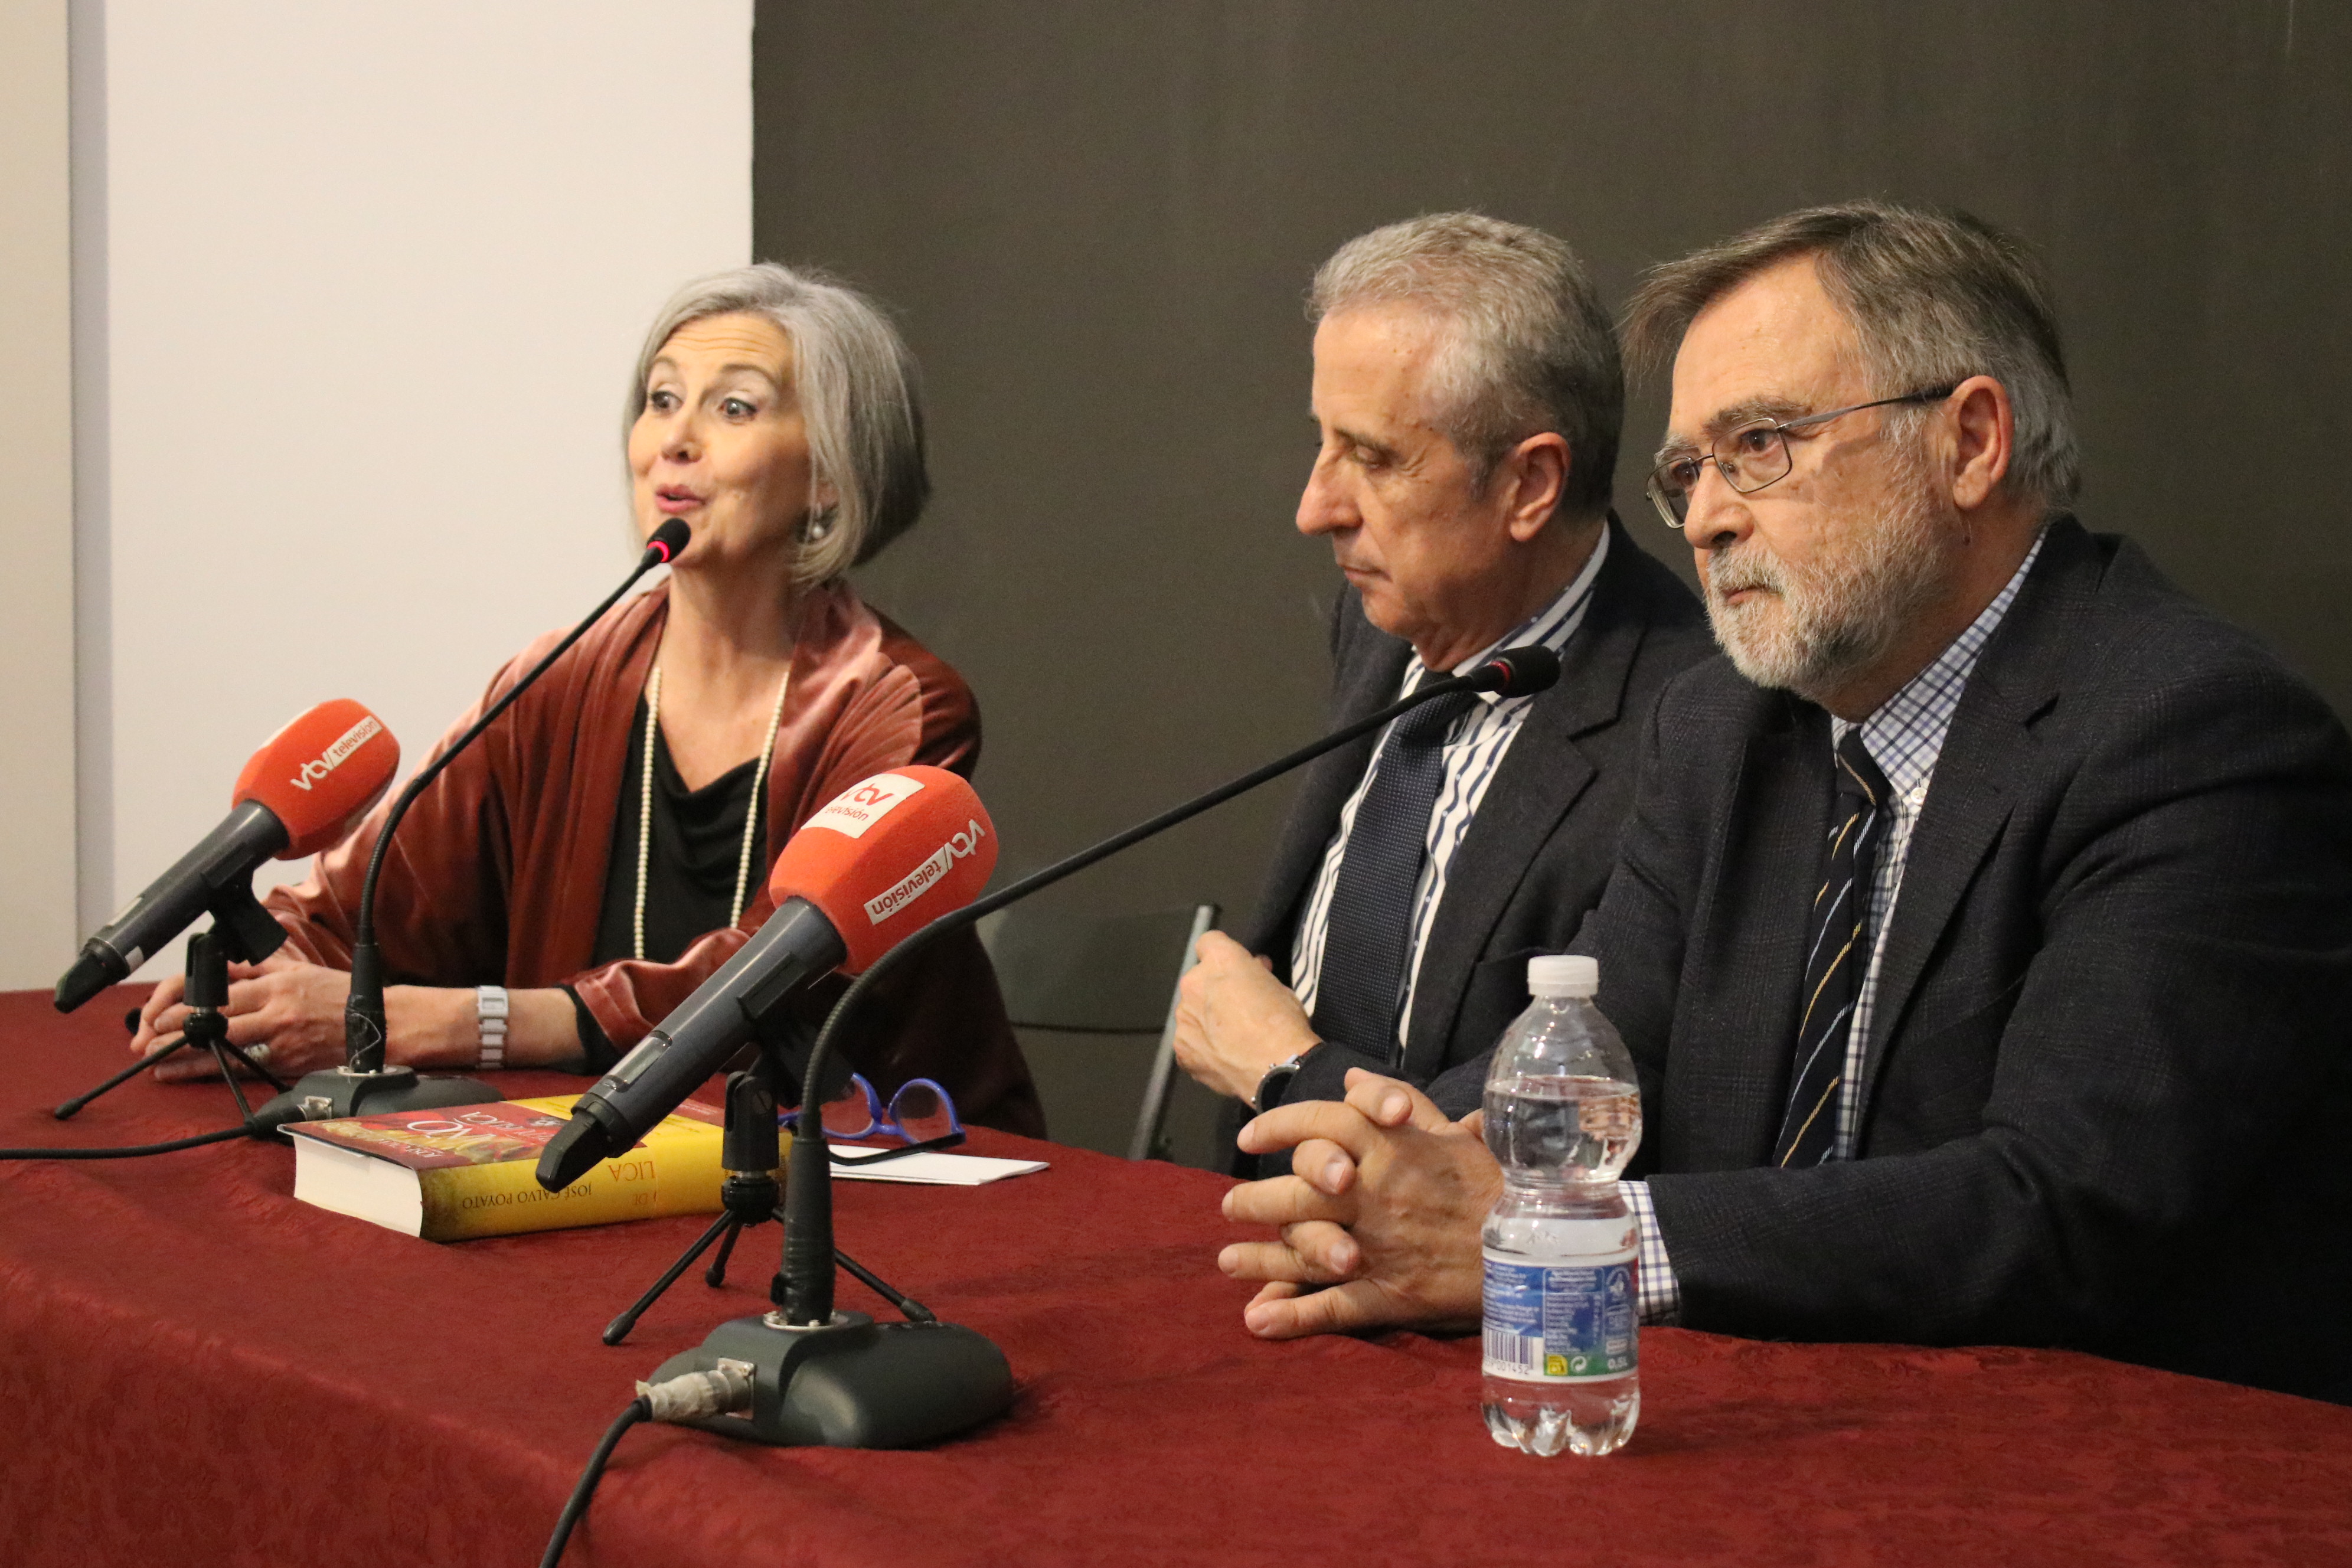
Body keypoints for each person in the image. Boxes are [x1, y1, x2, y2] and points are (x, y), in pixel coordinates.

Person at [1217, 201, 2352, 1402]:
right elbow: (1602, 1069)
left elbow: (2062, 1205)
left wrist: (1587, 1238)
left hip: (2106, 1454)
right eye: (1686, 469)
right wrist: (1387, 1181)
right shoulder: (1720, 727)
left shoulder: (2191, 732)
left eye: (1761, 443)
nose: (1706, 514)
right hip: (1763, 1421)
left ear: (1969, 441)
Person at [130, 263, 1045, 1135]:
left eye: (733, 406)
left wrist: (451, 1024)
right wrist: (261, 979)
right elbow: (380, 902)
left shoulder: (896, 702)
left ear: (832, 477)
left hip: (868, 1166)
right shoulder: (561, 677)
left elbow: (779, 976)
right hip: (588, 1156)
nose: (674, 440)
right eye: (660, 399)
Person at [1170, 214, 1710, 1156]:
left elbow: (1548, 1104)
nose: (1314, 509)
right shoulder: (1384, 622)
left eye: (1373, 459)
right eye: (1323, 444)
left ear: (1530, 486)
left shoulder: (1700, 717)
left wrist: (1283, 1069)